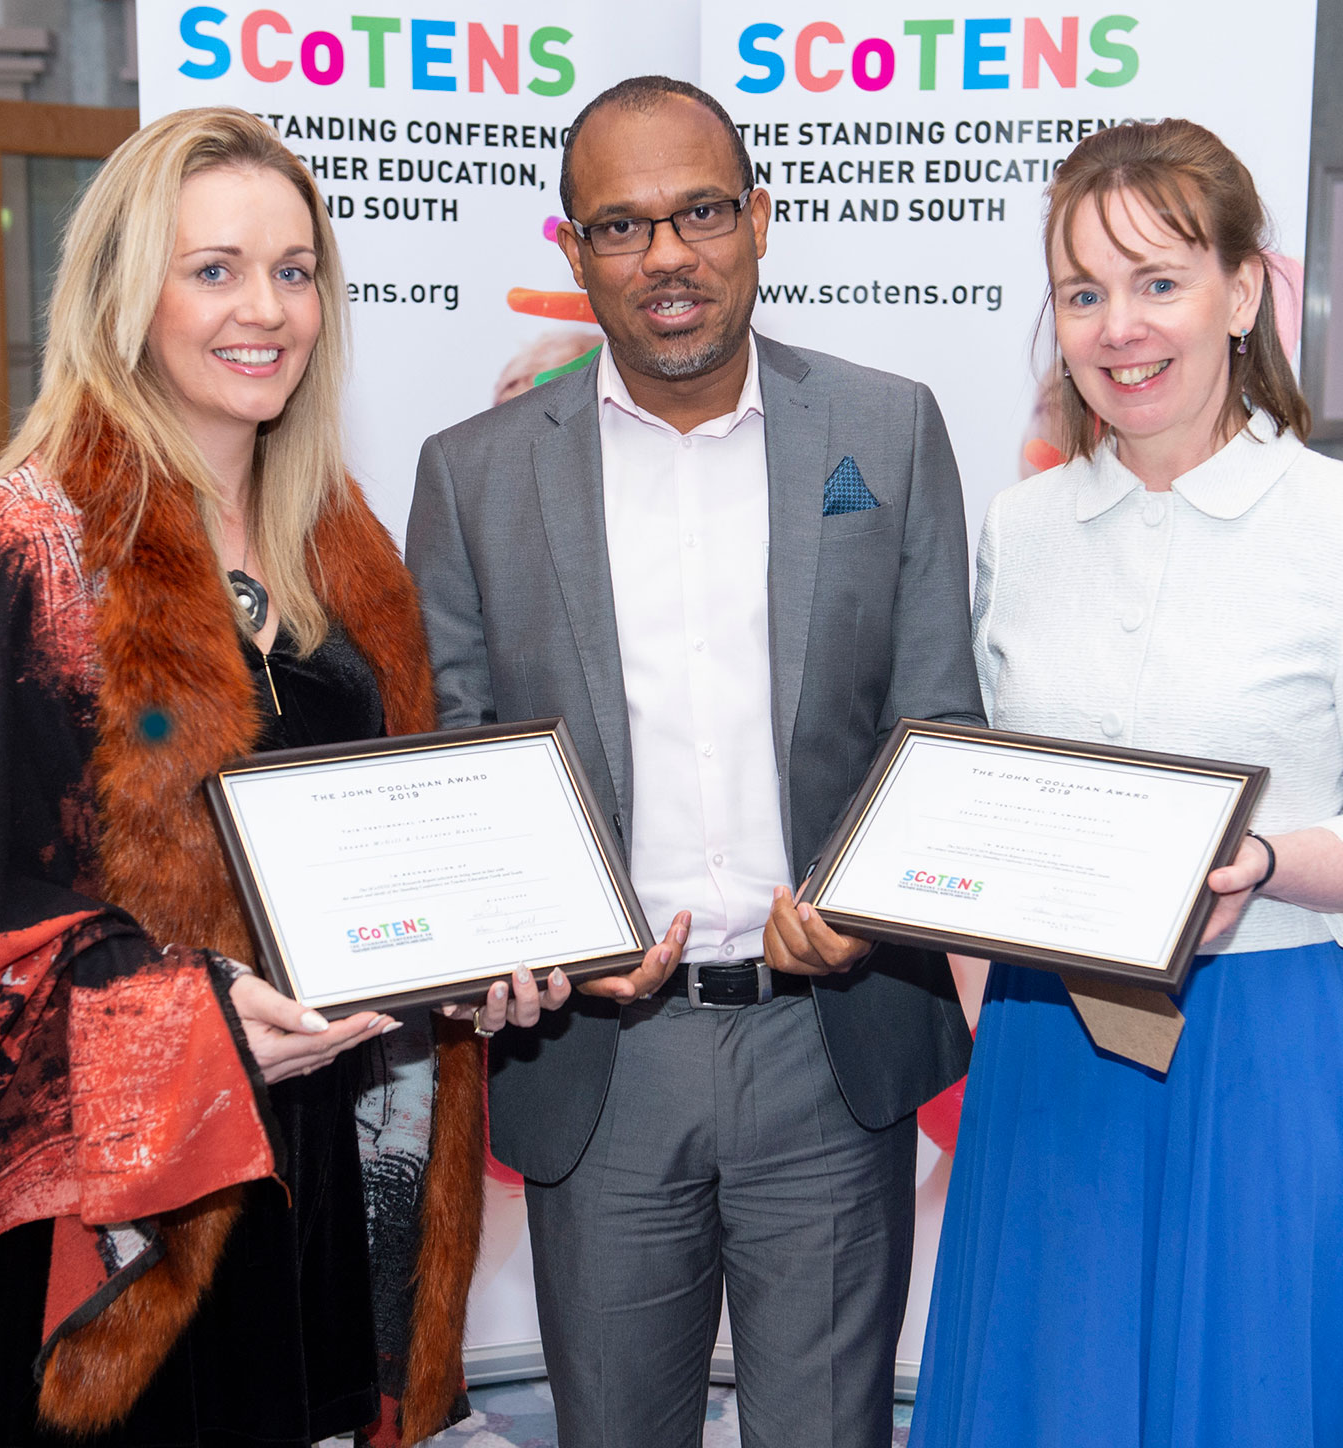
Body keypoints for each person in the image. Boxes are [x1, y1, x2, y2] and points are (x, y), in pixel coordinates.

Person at [0, 107, 558, 1448]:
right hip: (104, 1218)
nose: (266, 309)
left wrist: (482, 953)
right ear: (126, 293)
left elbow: (387, 837)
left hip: (305, 1149)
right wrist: (181, 1013)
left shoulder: (340, 538)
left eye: (294, 270)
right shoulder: (21, 556)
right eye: (214, 269)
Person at [405, 76, 979, 1448]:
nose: (668, 254)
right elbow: (459, 761)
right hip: (601, 1058)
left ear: (760, 220)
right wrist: (543, 934)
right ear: (573, 252)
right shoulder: (471, 475)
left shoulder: (887, 430)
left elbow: (935, 723)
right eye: (621, 225)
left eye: (701, 211)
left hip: (827, 1040)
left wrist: (872, 913)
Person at [911, 118, 1343, 1448]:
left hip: (1260, 1039)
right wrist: (993, 1014)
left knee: (1253, 1394)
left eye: (1158, 281)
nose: (1120, 329)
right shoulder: (1024, 528)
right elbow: (986, 792)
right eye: (1082, 293)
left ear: (1243, 289)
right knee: (1052, 1395)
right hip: (1052, 1045)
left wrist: (1272, 864)